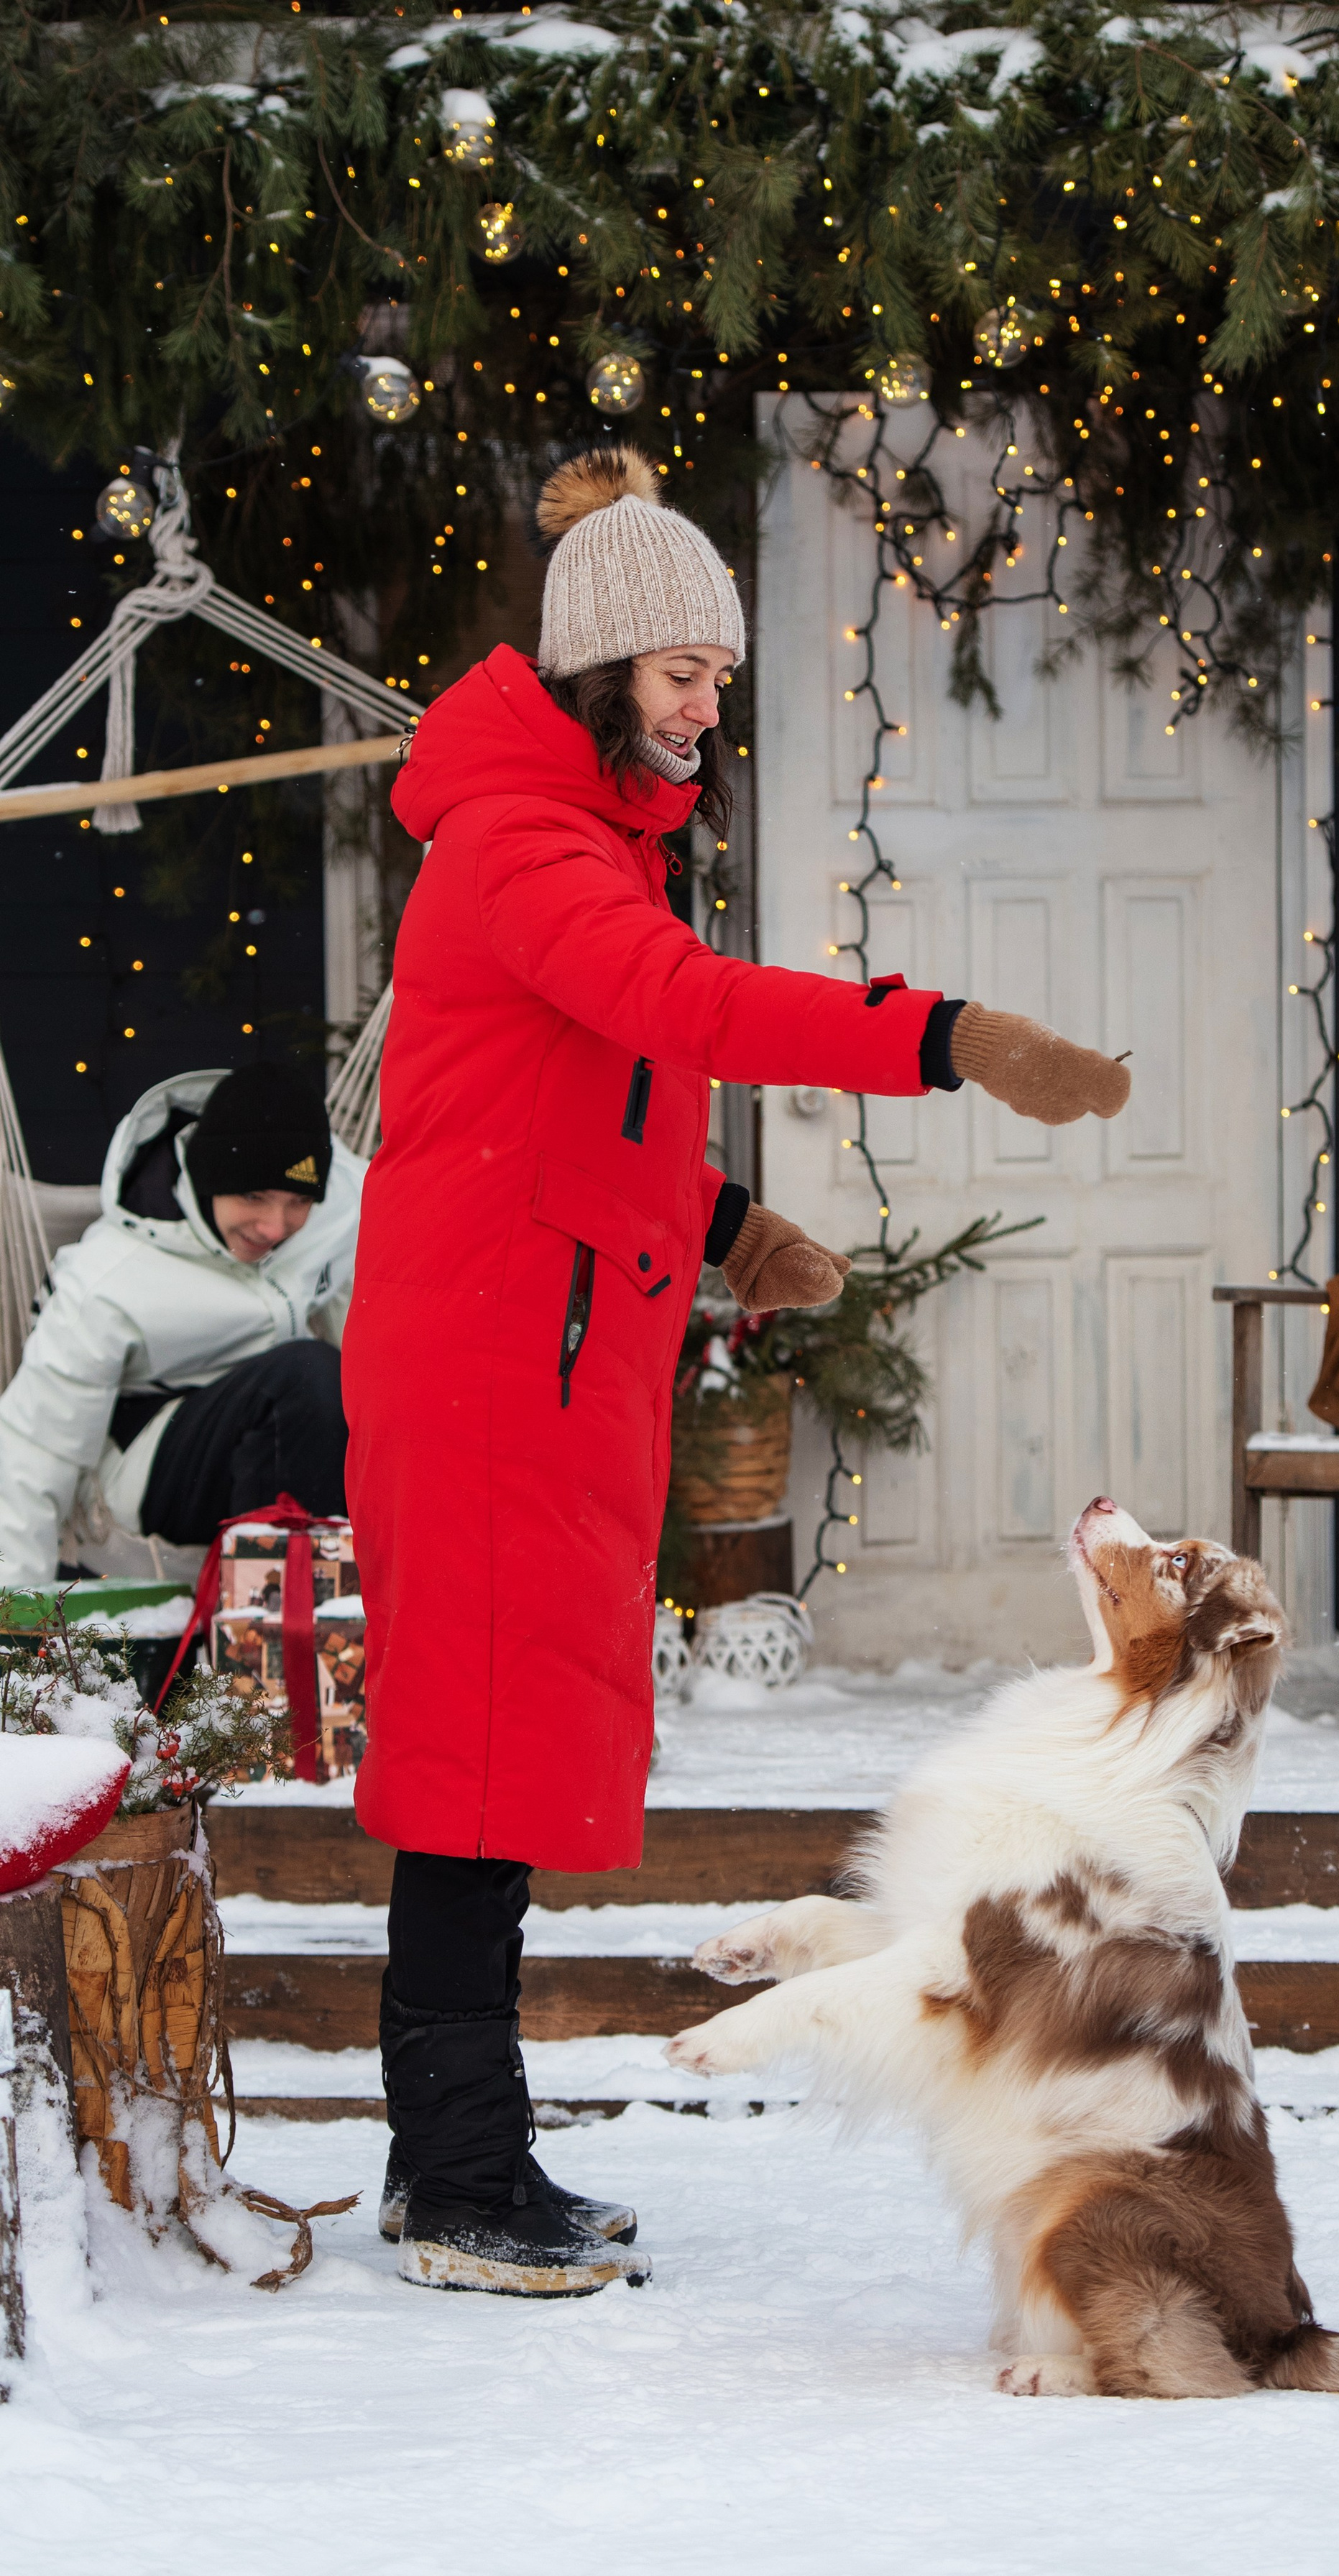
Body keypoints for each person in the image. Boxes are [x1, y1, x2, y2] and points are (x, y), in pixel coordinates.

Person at [343, 445, 1131, 2299]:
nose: (710, 704)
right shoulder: (524, 843)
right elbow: (679, 1011)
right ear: (605, 668)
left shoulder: (588, 833)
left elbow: (546, 1107)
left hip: (543, 1356)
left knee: (508, 1759)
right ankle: (454, 2180)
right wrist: (946, 1036)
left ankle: (457, 2160)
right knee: (472, 1771)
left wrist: (708, 1230)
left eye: (720, 675)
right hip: (481, 1376)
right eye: (685, 672)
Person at [0, 1061, 360, 1590]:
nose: (275, 1227)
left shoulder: (346, 1212)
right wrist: (14, 1621)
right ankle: (272, 1632)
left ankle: (347, 1610)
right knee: (306, 1381)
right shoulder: (108, 1280)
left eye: (299, 1202)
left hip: (288, 1450)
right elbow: (34, 1449)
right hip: (141, 1481)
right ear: (208, 1178)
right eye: (253, 1197)